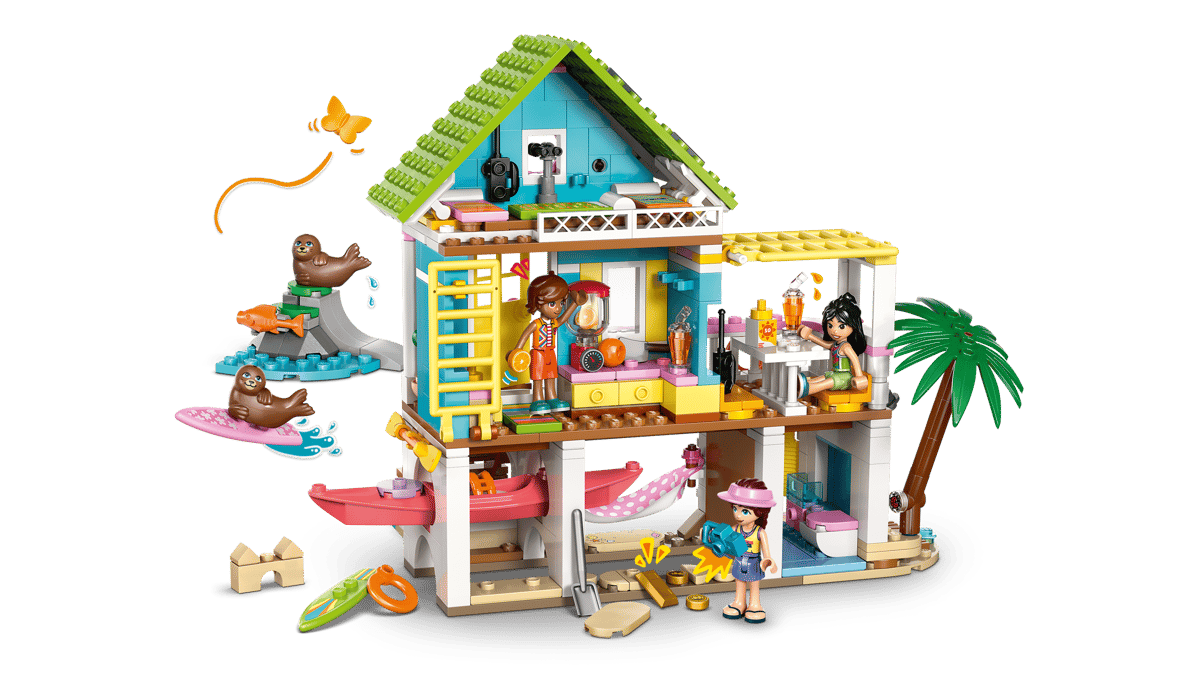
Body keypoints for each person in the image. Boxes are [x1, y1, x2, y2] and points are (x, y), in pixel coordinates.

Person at [507, 272, 585, 415]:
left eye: (561, 303)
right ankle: (537, 400)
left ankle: (552, 398)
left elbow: (563, 318)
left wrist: (575, 303)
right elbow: (525, 336)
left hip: (550, 352)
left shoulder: (554, 322)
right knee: (538, 377)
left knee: (551, 376)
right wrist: (517, 351)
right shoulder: (536, 324)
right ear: (538, 303)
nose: (558, 308)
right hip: (538, 353)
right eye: (552, 304)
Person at [718, 478, 778, 623]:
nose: (737, 515)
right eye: (735, 509)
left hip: (754, 562)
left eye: (744, 511)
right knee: (739, 582)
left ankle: (755, 605)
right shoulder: (735, 529)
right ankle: (739, 602)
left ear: (760, 512)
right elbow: (721, 538)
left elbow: (766, 553)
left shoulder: (760, 533)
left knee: (754, 584)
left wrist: (768, 561)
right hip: (739, 560)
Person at [798, 292, 869, 397]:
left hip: (845, 378)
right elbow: (825, 344)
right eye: (830, 325)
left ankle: (807, 390)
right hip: (835, 373)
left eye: (841, 326)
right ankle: (803, 384)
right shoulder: (836, 344)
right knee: (823, 377)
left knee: (827, 382)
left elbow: (855, 360)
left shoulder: (846, 347)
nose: (834, 331)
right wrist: (810, 336)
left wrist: (859, 376)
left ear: (853, 326)